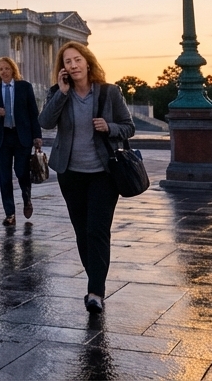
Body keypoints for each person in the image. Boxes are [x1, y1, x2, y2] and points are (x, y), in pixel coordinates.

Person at [39, 41, 134, 314]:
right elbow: (45, 122)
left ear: (88, 62)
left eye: (77, 60)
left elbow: (129, 127)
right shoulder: (58, 93)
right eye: (67, 62)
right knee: (82, 232)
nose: (73, 65)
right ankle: (95, 280)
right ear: (63, 69)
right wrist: (61, 93)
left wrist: (110, 127)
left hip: (104, 173)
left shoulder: (109, 93)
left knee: (97, 230)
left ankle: (95, 292)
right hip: (70, 174)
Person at [0, 57, 42, 226]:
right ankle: (10, 214)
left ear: (13, 69)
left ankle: (27, 197)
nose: (4, 72)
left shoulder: (24, 87)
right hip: (2, 137)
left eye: (7, 68)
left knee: (21, 171)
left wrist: (37, 136)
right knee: (4, 177)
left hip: (22, 136)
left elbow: (33, 113)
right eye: (1, 69)